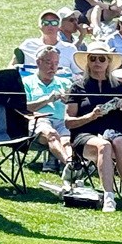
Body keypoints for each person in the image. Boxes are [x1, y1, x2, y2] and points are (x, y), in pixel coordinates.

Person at [65, 45, 122, 213]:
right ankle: (108, 198)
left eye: (101, 59)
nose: (97, 62)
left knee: (121, 141)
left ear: (108, 62)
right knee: (104, 146)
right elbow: (68, 122)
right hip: (86, 134)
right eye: (92, 58)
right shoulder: (78, 87)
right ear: (88, 62)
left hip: (117, 132)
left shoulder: (120, 88)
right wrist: (90, 116)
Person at [22, 46, 74, 182]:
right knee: (51, 135)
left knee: (67, 140)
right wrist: (47, 99)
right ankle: (70, 166)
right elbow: (24, 107)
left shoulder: (65, 83)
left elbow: (76, 106)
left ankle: (71, 165)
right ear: (38, 62)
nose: (53, 67)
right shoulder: (26, 82)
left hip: (62, 120)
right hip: (38, 120)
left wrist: (70, 100)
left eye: (56, 63)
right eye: (48, 62)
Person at [15, 9, 78, 74]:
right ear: (40, 26)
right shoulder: (28, 44)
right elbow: (12, 66)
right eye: (45, 23)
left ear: (59, 27)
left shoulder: (70, 49)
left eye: (54, 23)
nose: (50, 26)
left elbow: (79, 73)